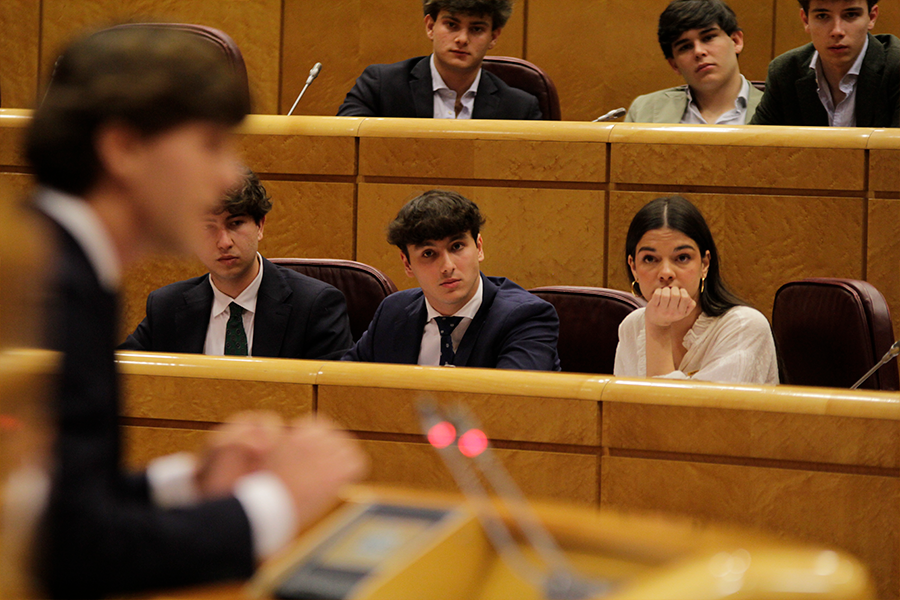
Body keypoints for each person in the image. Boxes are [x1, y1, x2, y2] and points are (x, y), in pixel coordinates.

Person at [27, 27, 367, 598]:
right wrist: (272, 503)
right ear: (124, 148)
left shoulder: (64, 268)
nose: (229, 176)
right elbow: (75, 552)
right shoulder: (45, 289)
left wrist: (189, 481)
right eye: (211, 144)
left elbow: (49, 510)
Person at [120, 169, 352, 359]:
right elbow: (121, 373)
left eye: (236, 223)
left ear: (260, 226)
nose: (224, 242)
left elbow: (333, 394)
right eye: (208, 228)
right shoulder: (167, 307)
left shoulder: (314, 306)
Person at [343, 190, 560, 370]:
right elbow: (341, 387)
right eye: (429, 253)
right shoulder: (393, 312)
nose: (447, 267)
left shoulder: (526, 317)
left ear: (479, 248)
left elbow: (511, 402)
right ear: (407, 264)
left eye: (457, 247)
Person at [614, 195, 778, 384]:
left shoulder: (744, 326)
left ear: (705, 264)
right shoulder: (631, 326)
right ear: (633, 267)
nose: (666, 273)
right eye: (650, 259)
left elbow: (673, 404)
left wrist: (658, 328)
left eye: (682, 258)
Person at [337, 0, 541, 119]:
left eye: (476, 29)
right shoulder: (381, 86)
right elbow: (343, 148)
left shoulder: (520, 109)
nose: (462, 39)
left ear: (493, 37)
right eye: (452, 25)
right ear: (430, 27)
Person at [751, 0, 899, 127]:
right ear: (806, 20)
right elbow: (755, 146)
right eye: (822, 16)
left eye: (851, 14)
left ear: (871, 17)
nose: (837, 31)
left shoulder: (895, 66)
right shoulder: (785, 72)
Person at [625, 0, 762, 124]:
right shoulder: (644, 111)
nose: (699, 51)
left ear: (736, 41)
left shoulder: (773, 109)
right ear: (674, 64)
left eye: (708, 38)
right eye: (685, 47)